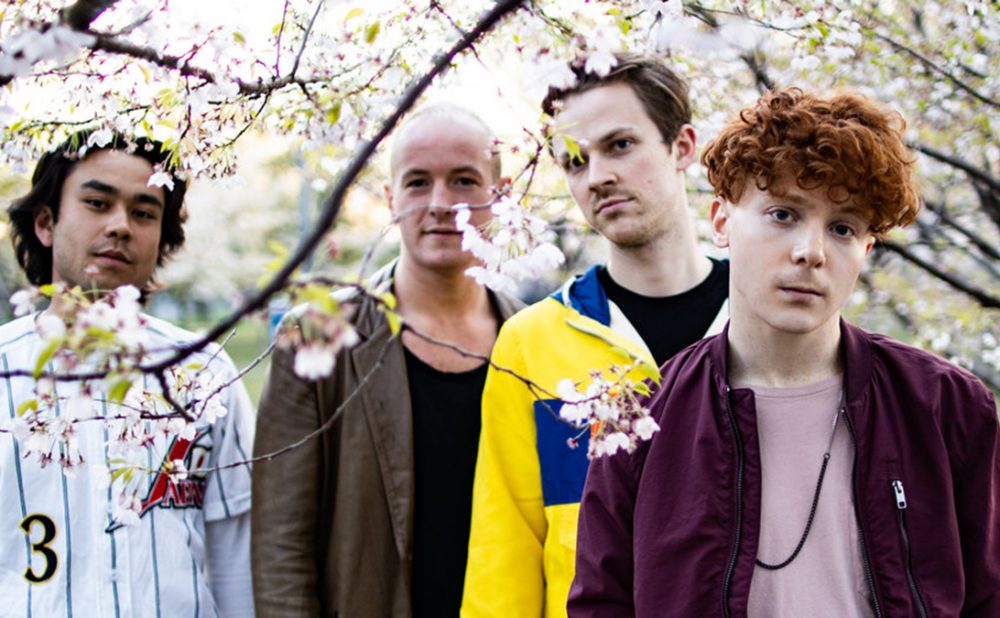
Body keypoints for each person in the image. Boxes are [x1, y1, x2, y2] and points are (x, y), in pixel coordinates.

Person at [569, 88, 1000, 617]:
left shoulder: (945, 408)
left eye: (842, 227)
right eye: (783, 214)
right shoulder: (640, 422)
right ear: (722, 221)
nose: (811, 252)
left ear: (866, 249)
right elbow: (600, 604)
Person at [461, 54, 729, 617]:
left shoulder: (763, 321)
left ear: (682, 146)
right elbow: (503, 548)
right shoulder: (529, 343)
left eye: (621, 145)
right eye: (575, 161)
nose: (598, 175)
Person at [251, 104, 523, 618]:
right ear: (390, 199)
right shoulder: (316, 338)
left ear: (500, 195)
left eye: (464, 181)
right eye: (418, 183)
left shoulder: (534, 341)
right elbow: (280, 547)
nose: (441, 203)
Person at [0, 130, 255, 617]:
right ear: (46, 222)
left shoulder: (202, 373)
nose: (120, 226)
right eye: (97, 203)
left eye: (143, 213)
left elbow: (234, 554)